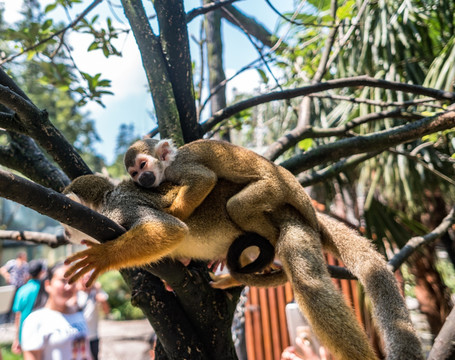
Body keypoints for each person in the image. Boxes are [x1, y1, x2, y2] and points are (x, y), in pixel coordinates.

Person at [21, 262, 91, 360]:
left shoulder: (78, 314)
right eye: (63, 281)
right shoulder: (36, 320)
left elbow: (87, 353)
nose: (69, 286)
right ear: (48, 284)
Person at [11, 260, 46, 354]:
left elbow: (17, 316)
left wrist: (17, 339)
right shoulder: (45, 289)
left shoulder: (22, 291)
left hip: (25, 333)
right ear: (41, 272)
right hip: (43, 332)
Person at [76, 272, 110, 360]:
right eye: (84, 278)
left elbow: (107, 311)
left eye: (89, 278)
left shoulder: (97, 292)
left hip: (93, 335)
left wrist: (102, 301)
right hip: (79, 336)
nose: (87, 280)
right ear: (80, 279)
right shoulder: (75, 294)